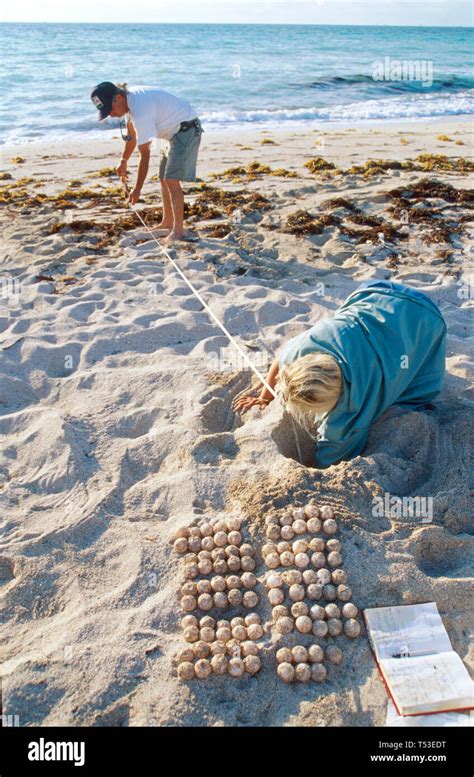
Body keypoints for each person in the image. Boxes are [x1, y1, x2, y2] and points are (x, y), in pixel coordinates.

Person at [232, 280, 447, 469]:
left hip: (425, 317)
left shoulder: (349, 410)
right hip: (378, 291)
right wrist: (265, 395)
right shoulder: (300, 351)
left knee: (408, 389)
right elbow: (281, 360)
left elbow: (333, 454)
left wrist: (318, 469)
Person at [90, 81, 203, 244]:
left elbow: (145, 154)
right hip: (172, 133)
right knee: (164, 178)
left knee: (171, 179)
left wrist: (137, 190)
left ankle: (179, 231)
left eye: (111, 109)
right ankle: (167, 222)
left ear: (119, 98)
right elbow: (132, 137)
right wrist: (123, 160)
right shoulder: (130, 102)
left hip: (187, 129)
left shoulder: (140, 109)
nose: (111, 115)